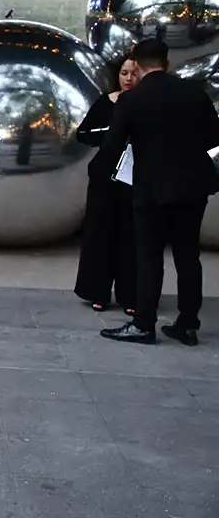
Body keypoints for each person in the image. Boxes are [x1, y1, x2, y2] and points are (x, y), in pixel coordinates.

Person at [98, 39, 219, 346]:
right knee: (188, 256)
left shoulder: (132, 100)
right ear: (167, 63)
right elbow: (213, 136)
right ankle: (188, 324)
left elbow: (112, 145)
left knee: (149, 257)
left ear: (137, 65)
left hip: (151, 187)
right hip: (192, 186)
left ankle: (144, 323)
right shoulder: (194, 93)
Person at [73, 57, 139, 313]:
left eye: (133, 73)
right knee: (100, 234)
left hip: (135, 177)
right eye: (124, 73)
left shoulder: (145, 103)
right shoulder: (106, 102)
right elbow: (83, 134)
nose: (128, 78)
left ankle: (131, 295)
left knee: (132, 237)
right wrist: (110, 132)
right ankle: (97, 291)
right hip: (105, 177)